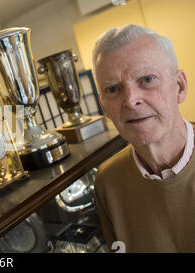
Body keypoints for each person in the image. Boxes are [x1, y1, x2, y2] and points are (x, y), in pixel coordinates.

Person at [92, 24, 194, 252]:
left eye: (147, 80)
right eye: (113, 89)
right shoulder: (107, 183)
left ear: (179, 86)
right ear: (104, 107)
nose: (130, 100)